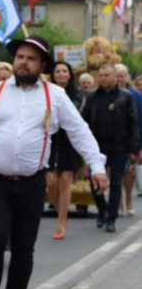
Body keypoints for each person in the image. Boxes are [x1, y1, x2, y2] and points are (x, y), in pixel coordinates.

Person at [0, 36, 107, 289]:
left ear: (42, 65)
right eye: (20, 56)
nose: (23, 62)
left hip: (32, 182)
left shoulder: (55, 96)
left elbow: (80, 131)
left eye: (31, 58)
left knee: (23, 248)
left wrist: (96, 166)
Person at [81, 64, 139, 233]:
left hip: (119, 147)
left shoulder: (125, 97)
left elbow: (134, 122)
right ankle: (102, 209)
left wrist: (134, 148)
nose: (103, 78)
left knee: (115, 183)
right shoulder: (93, 96)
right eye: (101, 75)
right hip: (97, 147)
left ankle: (111, 218)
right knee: (95, 183)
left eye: (107, 75)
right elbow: (83, 120)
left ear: (114, 77)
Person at [45, 61, 82, 240]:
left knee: (65, 180)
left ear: (69, 74)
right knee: (51, 182)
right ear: (53, 74)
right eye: (57, 71)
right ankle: (61, 210)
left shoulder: (76, 93)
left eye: (64, 71)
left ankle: (61, 221)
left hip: (69, 142)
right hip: (50, 141)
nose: (61, 74)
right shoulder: (46, 92)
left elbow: (71, 111)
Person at [114, 64, 142, 216]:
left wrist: (138, 145)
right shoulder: (110, 94)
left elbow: (140, 120)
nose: (120, 78)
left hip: (130, 141)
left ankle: (129, 199)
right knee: (115, 174)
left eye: (122, 75)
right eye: (117, 75)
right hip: (113, 142)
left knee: (129, 172)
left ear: (127, 78)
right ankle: (117, 203)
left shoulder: (135, 95)